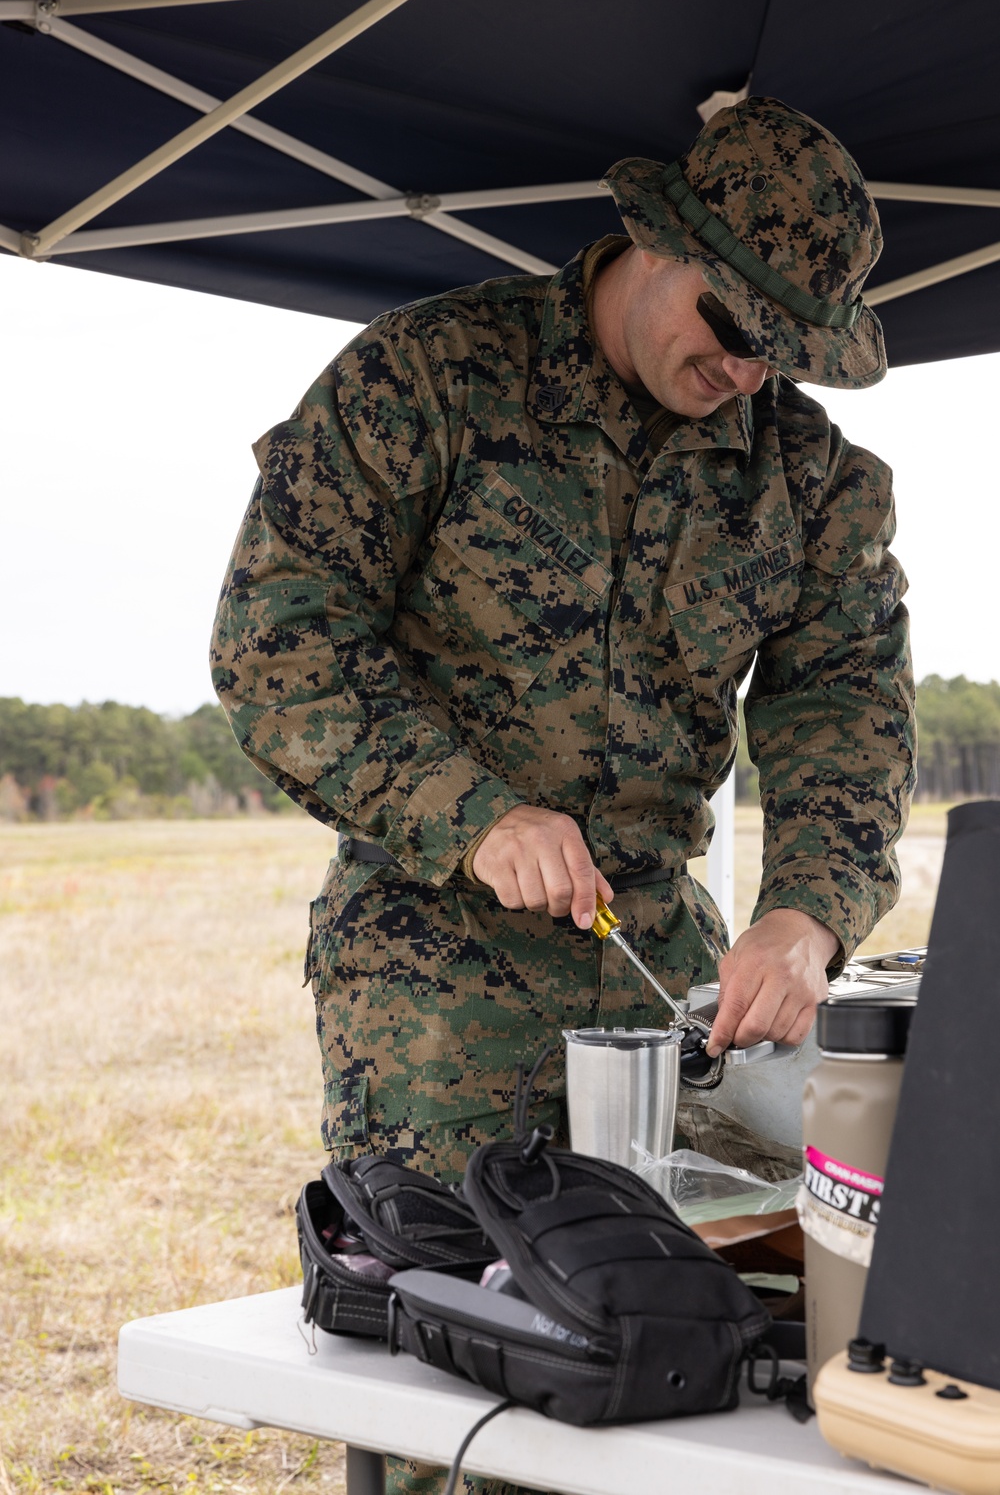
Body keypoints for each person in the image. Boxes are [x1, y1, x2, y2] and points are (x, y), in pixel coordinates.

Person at [212, 92, 913, 1492]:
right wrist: (473, 813)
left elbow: (847, 714)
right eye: (729, 325)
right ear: (654, 240)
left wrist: (806, 919)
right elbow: (276, 640)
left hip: (662, 987)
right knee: (449, 1370)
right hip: (433, 984)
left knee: (688, 1354)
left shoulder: (812, 483)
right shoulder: (428, 382)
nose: (746, 370)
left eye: (784, 351)